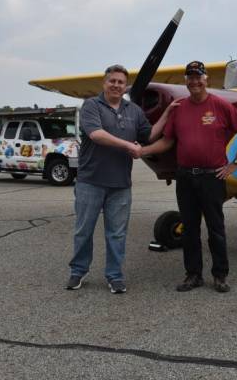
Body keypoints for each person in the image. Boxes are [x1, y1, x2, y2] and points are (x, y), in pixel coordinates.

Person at [140, 61, 237, 293]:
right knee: (190, 229)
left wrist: (235, 164)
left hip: (212, 177)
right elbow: (167, 141)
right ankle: (193, 275)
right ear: (186, 81)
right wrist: (143, 150)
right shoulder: (180, 108)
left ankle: (220, 275)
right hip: (185, 178)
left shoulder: (220, 106)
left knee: (216, 229)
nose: (194, 81)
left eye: (198, 77)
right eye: (190, 77)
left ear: (206, 79)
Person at [66, 64, 176, 294]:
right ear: (104, 83)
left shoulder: (134, 110)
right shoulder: (91, 106)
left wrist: (167, 113)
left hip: (120, 185)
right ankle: (78, 271)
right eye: (112, 81)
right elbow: (96, 135)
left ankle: (114, 275)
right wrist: (128, 145)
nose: (116, 85)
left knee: (117, 233)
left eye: (120, 82)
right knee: (83, 230)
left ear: (126, 86)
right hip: (90, 182)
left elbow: (149, 135)